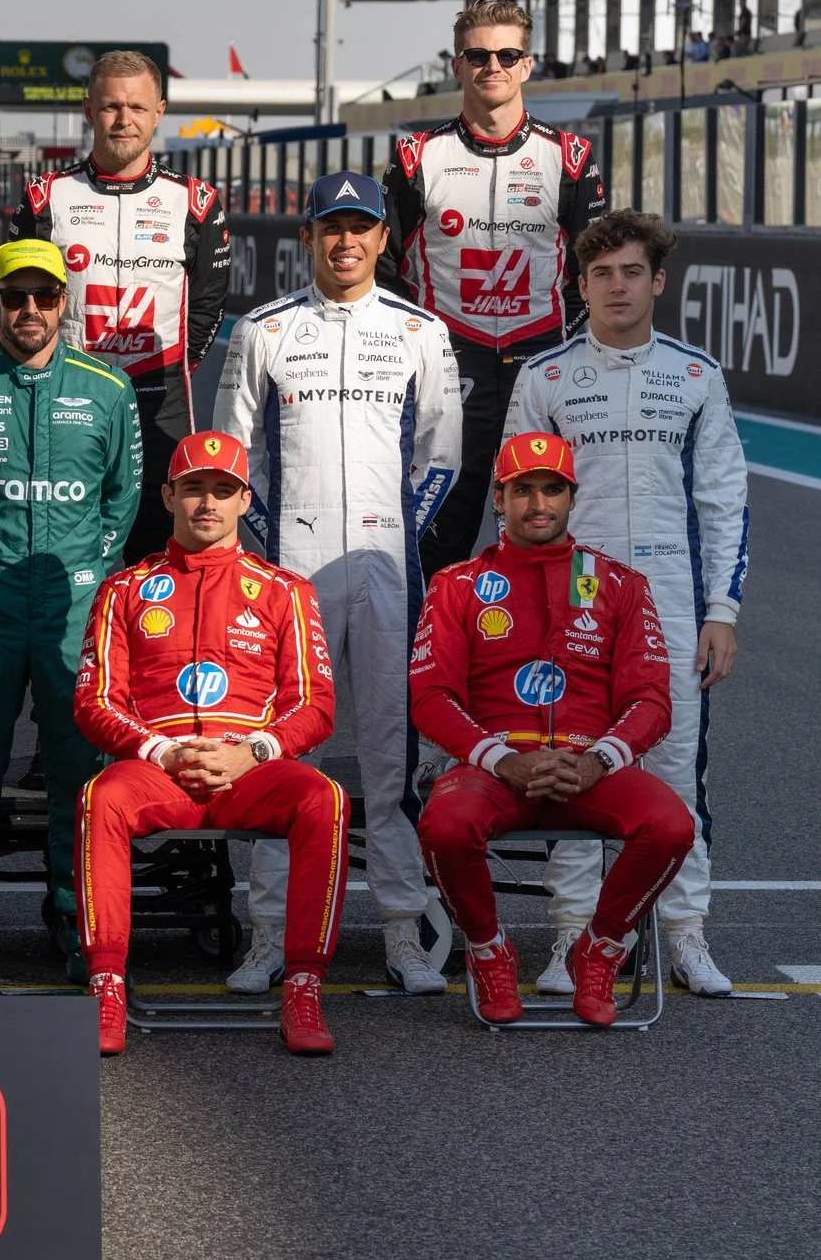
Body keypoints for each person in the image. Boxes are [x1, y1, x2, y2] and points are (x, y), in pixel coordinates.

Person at [213, 171, 463, 996]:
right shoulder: (262, 330)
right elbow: (226, 460)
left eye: (360, 227)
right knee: (279, 760)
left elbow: (444, 455)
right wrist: (268, 551)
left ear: (384, 239)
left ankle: (401, 931)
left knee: (390, 763)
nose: (345, 242)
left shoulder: (422, 330)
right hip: (286, 580)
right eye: (331, 227)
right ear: (308, 237)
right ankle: (269, 937)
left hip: (389, 572)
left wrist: (395, 531)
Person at [503, 210, 748, 997]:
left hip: (674, 596)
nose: (618, 286)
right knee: (570, 760)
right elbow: (514, 503)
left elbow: (724, 501)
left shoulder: (697, 376)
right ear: (581, 285)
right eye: (602, 274)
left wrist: (723, 612)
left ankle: (685, 933)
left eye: (632, 272)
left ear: (657, 282)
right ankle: (573, 938)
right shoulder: (544, 378)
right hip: (572, 597)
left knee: (677, 770)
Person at [73, 431, 347, 1058]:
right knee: (100, 799)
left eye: (223, 491)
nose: (207, 503)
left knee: (324, 800)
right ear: (168, 494)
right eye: (193, 488)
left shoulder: (286, 590)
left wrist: (252, 751)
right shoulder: (123, 590)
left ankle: (303, 986)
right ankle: (107, 984)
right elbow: (94, 703)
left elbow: (316, 707)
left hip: (250, 766)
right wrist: (162, 753)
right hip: (159, 767)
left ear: (244, 500)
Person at [410, 432, 695, 1026]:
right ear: (499, 499)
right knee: (444, 824)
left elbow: (651, 700)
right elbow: (430, 696)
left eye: (552, 489)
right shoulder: (456, 584)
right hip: (494, 769)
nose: (538, 503)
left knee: (670, 826)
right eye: (523, 490)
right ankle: (489, 952)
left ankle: (601, 949)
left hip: (589, 767)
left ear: (572, 496)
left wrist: (599, 760)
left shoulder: (620, 584)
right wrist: (497, 758)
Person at [0, 238, 141, 989]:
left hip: (73, 604)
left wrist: (87, 571)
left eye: (46, 296)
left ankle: (78, 917)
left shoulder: (108, 389)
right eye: (17, 296)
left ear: (63, 302)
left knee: (80, 771)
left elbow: (121, 501)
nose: (32, 310)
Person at [379, 0, 608, 574]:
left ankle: (544, 660)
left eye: (508, 54)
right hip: (450, 367)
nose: (493, 66)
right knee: (437, 536)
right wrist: (417, 343)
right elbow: (384, 270)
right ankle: (429, 656)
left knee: (546, 535)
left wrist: (562, 342)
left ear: (528, 65)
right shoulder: (415, 157)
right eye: (477, 55)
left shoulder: (571, 158)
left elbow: (596, 272)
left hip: (541, 366)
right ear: (457, 66)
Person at [9, 49, 230, 559]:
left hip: (161, 399)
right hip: (66, 394)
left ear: (159, 112)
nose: (123, 119)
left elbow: (208, 306)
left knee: (161, 556)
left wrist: (170, 372)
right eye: (110, 107)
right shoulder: (45, 197)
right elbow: (17, 304)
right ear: (89, 111)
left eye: (136, 107)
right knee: (62, 550)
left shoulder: (196, 202)